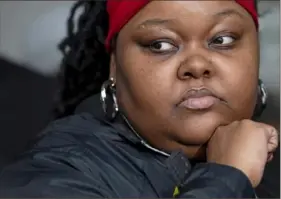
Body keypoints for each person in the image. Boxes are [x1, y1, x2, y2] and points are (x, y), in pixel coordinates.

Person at [0, 0, 278, 198]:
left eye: (223, 39)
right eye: (160, 45)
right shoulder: (56, 175)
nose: (196, 64)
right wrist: (227, 179)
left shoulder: (269, 168)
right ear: (115, 68)